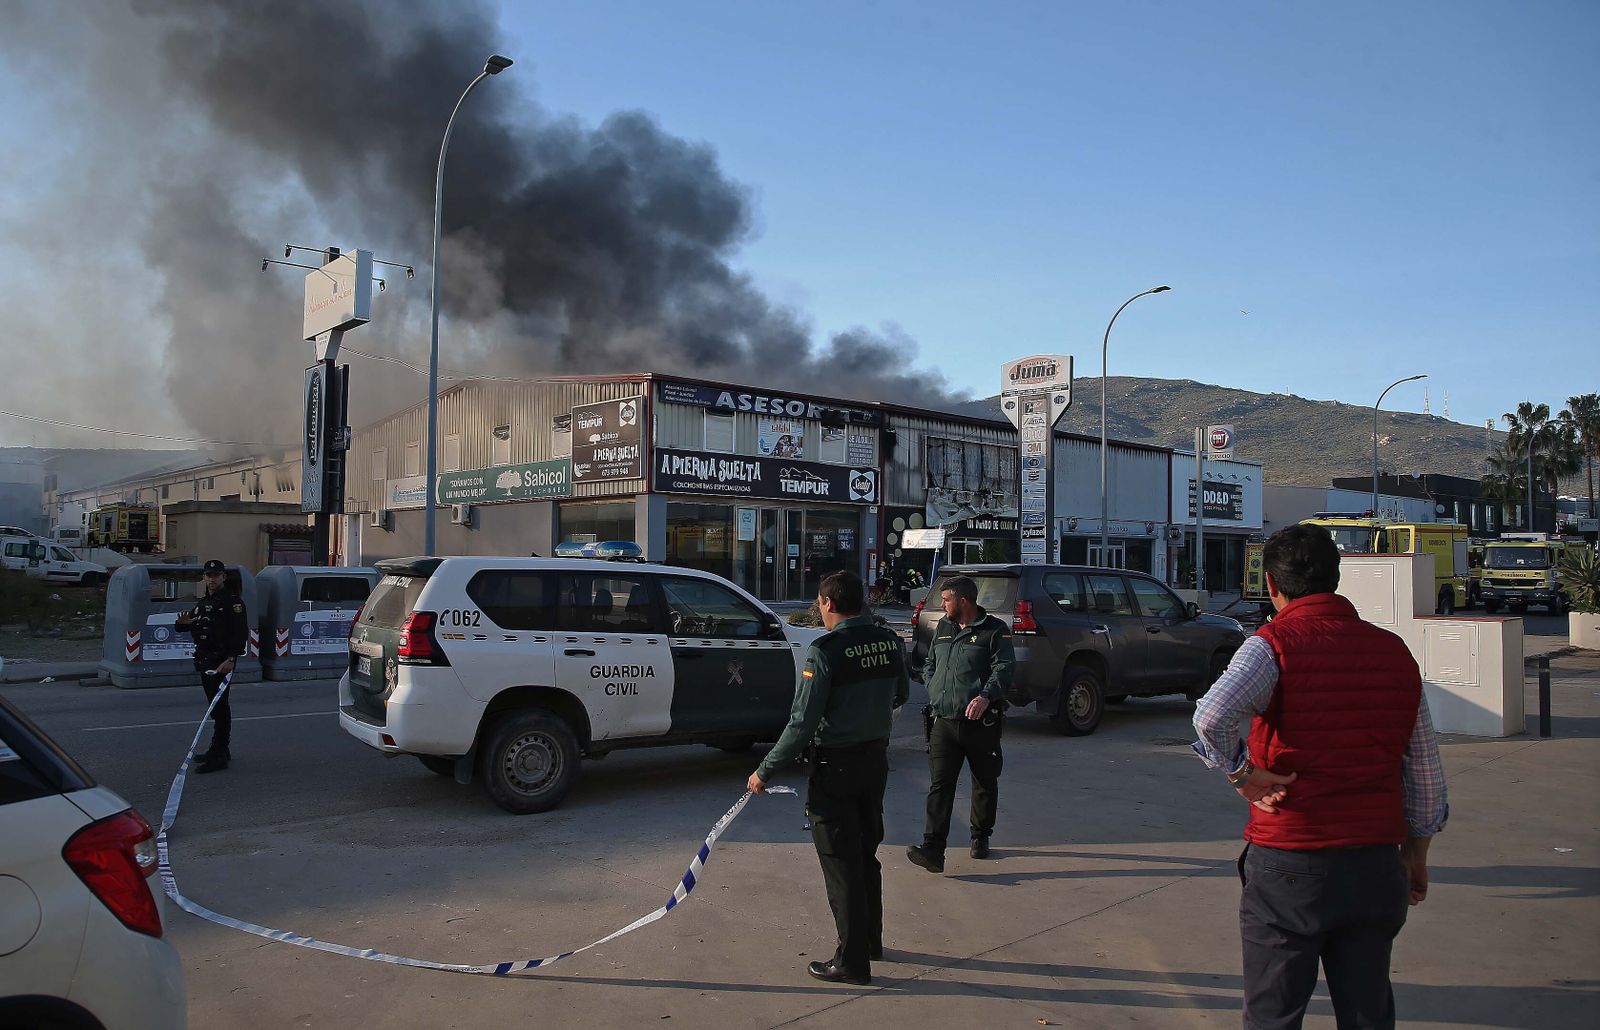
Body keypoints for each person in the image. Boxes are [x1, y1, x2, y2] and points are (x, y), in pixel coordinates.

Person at [1192, 523, 1447, 1029]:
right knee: (1367, 1010)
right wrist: (1415, 854)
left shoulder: (1272, 645)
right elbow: (1424, 772)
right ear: (1336, 578)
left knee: (1274, 1014)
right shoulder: (1394, 652)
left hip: (1291, 860)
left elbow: (1210, 716)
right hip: (1375, 862)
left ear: (1271, 585)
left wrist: (1241, 775)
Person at [747, 570, 909, 985]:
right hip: (874, 762)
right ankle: (870, 940)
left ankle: (852, 962)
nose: (819, 610)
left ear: (829, 604)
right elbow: (902, 694)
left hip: (835, 768)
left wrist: (764, 771)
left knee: (840, 864)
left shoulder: (825, 651)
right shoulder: (889, 642)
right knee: (866, 853)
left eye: (819, 603)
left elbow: (801, 723)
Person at [906, 574, 1014, 873]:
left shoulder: (994, 631)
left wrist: (985, 696)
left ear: (963, 601)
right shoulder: (944, 627)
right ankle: (933, 850)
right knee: (940, 786)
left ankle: (980, 835)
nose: (942, 605)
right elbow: (930, 662)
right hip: (944, 721)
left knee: (984, 781)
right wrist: (933, 685)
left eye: (947, 599)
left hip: (980, 723)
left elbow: (1004, 668)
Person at [175, 559, 249, 774]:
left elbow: (240, 633)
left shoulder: (232, 602)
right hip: (204, 660)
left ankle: (219, 754)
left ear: (223, 577)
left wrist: (231, 659)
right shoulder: (203, 603)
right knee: (215, 708)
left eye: (216, 575)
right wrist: (183, 624)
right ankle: (219, 749)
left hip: (222, 662)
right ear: (204, 578)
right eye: (208, 575)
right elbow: (184, 625)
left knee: (220, 708)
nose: (212, 579)